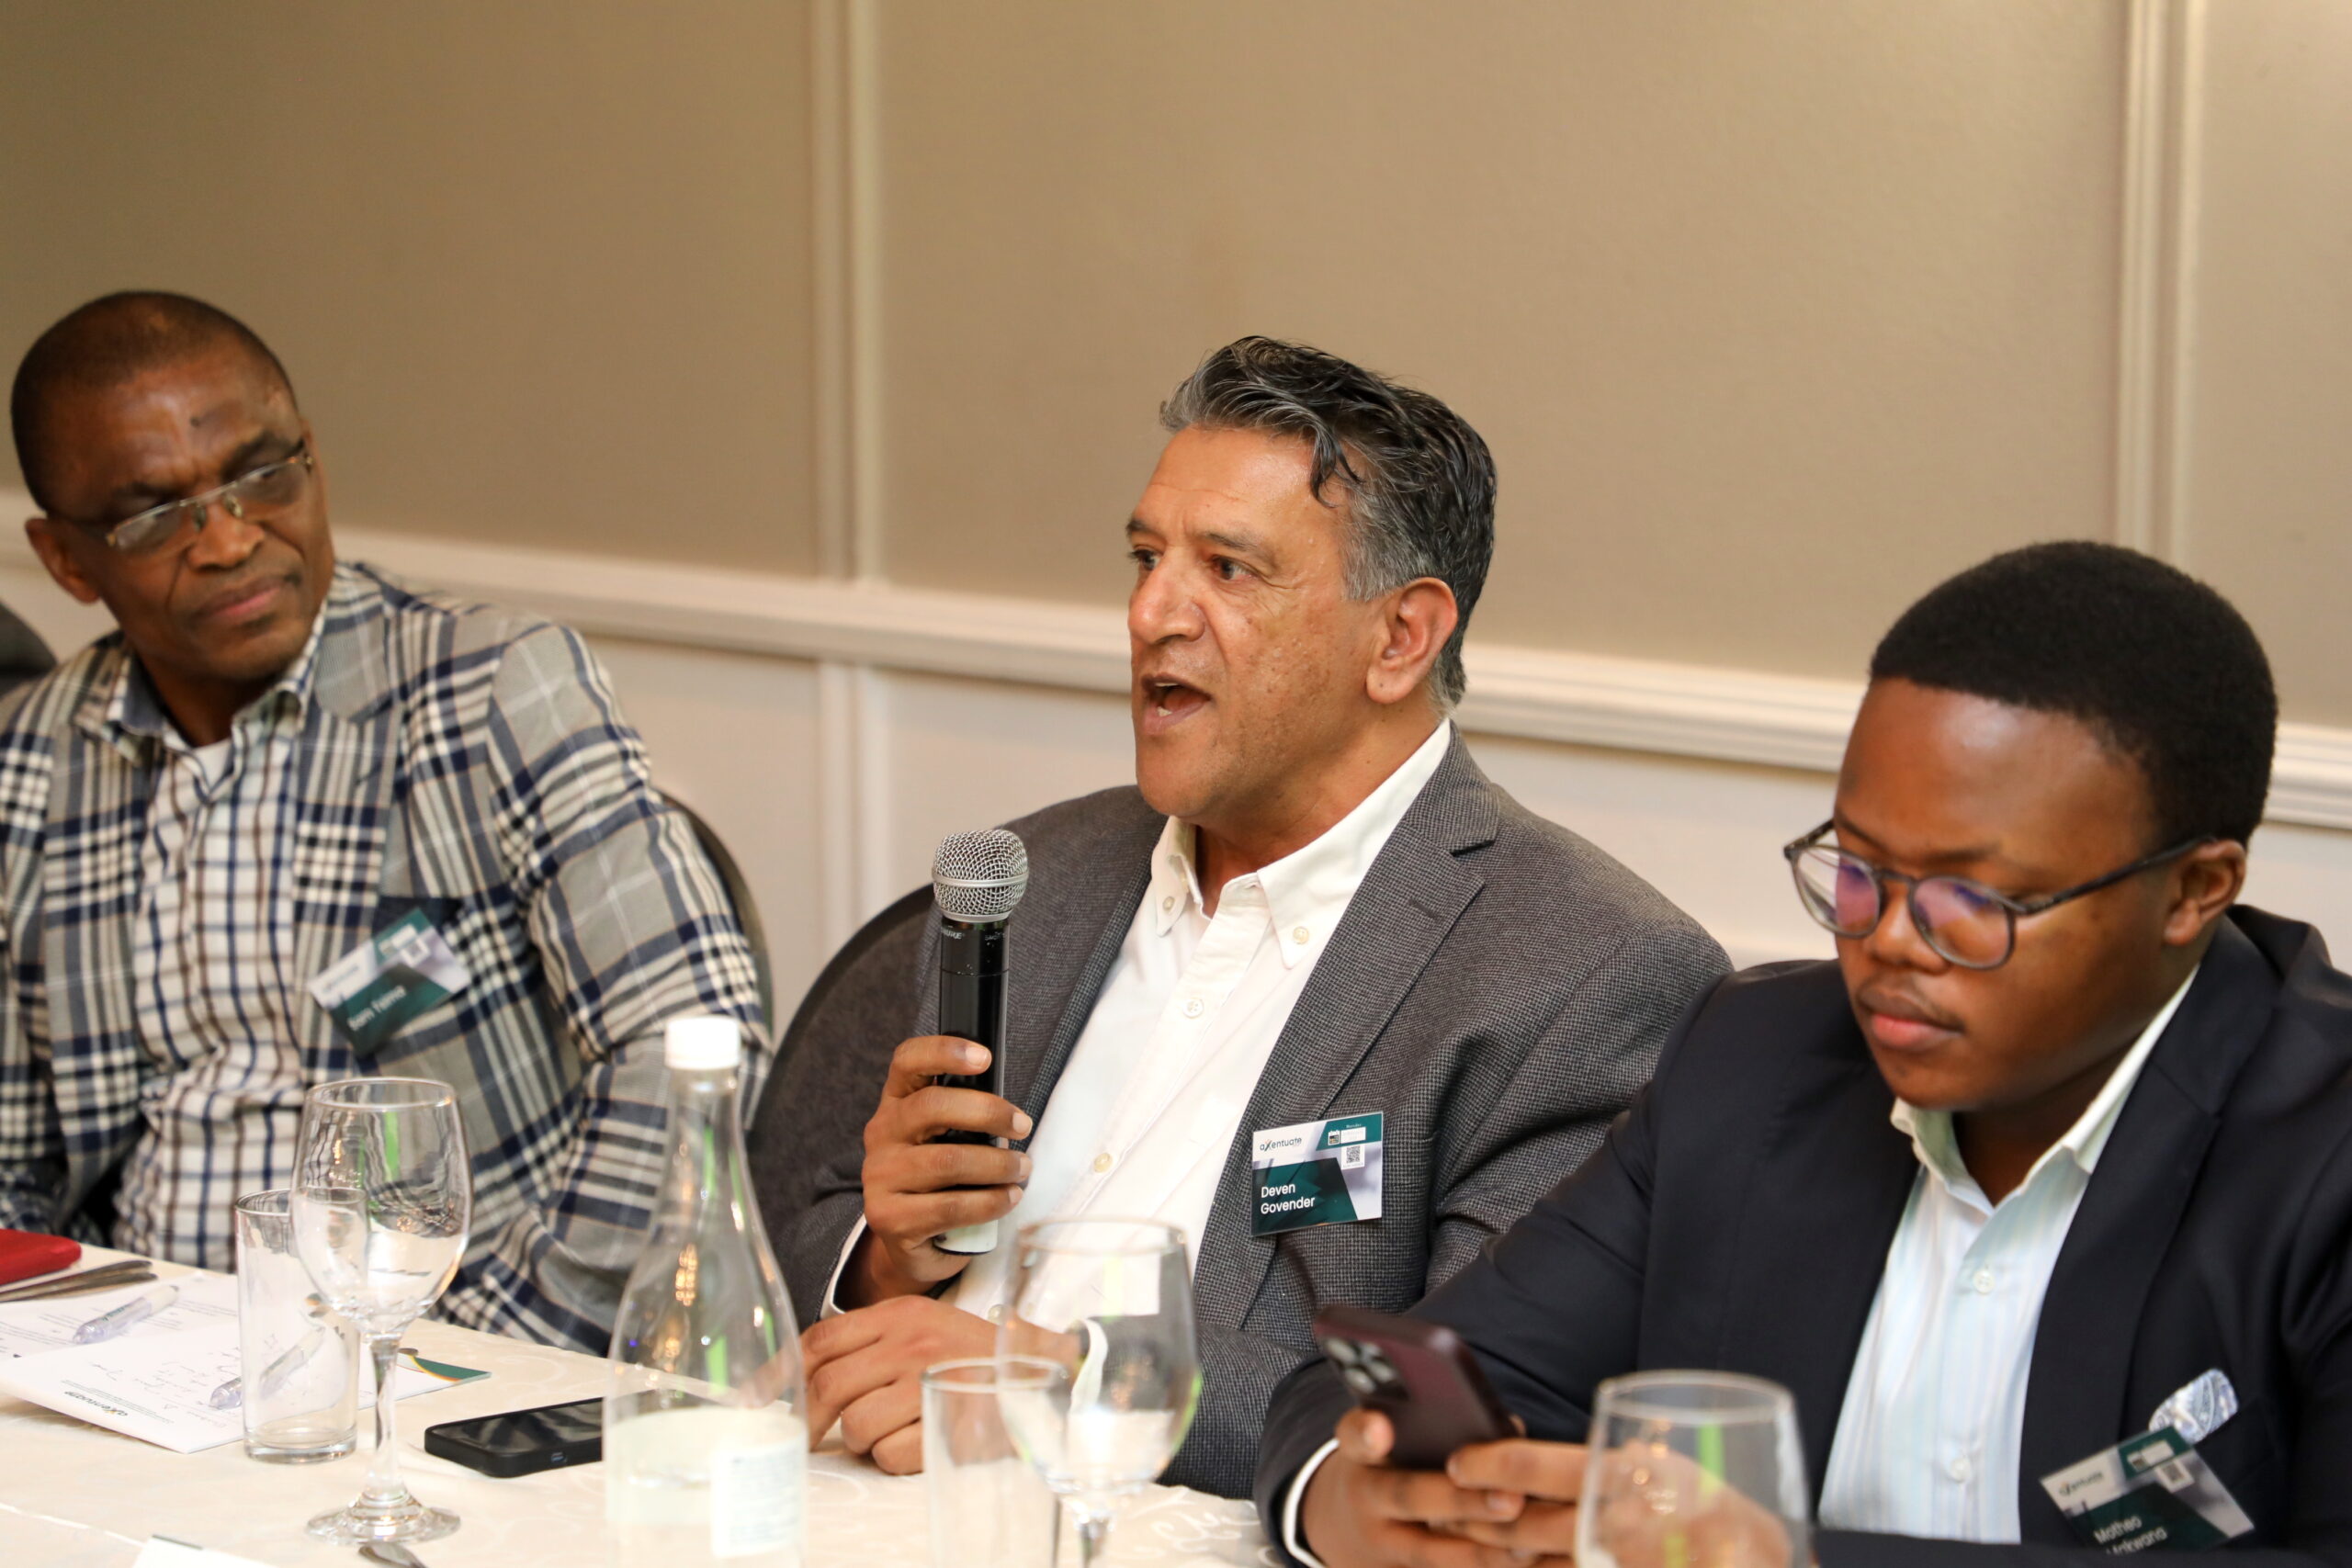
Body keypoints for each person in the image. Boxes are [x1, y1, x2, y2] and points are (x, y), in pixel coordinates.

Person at [1259, 541, 2352, 1567]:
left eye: (1973, 901)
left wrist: (1793, 1559)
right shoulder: (1756, 1062)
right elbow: (1416, 1380)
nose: (1888, 941)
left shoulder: (2323, 1156)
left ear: (2194, 891)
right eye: (1860, 870)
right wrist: (1353, 1497)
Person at [777, 336, 1729, 1496]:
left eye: (1227, 569)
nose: (1150, 613)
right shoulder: (1040, 875)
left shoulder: (1585, 974)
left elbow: (1477, 1409)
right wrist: (889, 1258)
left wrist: (1057, 1386)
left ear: (1400, 638)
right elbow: (812, 1232)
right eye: (1145, 558)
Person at [0, 291, 764, 1352]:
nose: (229, 541)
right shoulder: (27, 762)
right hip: (133, 1356)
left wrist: (489, 1348)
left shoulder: (489, 689)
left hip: (461, 1343)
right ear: (67, 560)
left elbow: (690, 1045)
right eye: (155, 517)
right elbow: (13, 1162)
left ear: (312, 456)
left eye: (263, 477)